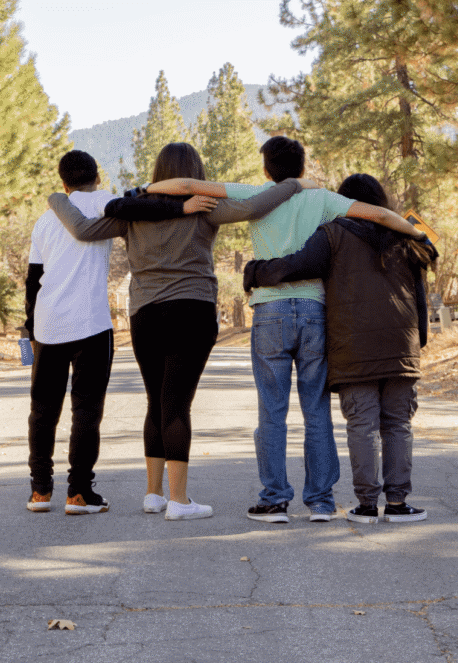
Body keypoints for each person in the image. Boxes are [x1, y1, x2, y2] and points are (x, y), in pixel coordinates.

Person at [144, 137, 425, 524]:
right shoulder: (324, 198)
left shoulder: (257, 194)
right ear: (303, 167)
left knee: (272, 412)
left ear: (266, 170)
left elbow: (187, 186)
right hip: (314, 311)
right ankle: (321, 502)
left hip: (270, 312)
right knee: (316, 411)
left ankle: (274, 501)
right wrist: (417, 235)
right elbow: (378, 215)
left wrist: (146, 190)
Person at [48, 142, 309, 521]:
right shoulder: (204, 205)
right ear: (194, 173)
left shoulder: (134, 211)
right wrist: (294, 185)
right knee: (177, 404)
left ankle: (154, 494)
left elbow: (83, 229)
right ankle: (180, 500)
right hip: (192, 310)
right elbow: (254, 205)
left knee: (157, 401)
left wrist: (59, 197)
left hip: (145, 314)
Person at [24, 150, 211, 514]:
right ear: (98, 175)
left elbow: (32, 281)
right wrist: (183, 208)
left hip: (46, 325)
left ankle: (40, 491)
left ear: (63, 182)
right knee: (86, 410)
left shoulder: (46, 220)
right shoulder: (105, 200)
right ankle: (78, 493)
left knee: (42, 410)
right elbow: (146, 209)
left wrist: (29, 331)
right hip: (90, 324)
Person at [243, 174, 438, 524]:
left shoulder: (333, 235)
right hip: (401, 347)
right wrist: (418, 339)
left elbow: (295, 265)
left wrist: (255, 271)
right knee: (398, 424)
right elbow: (422, 286)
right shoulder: (407, 235)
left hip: (353, 348)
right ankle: (397, 504)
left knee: (361, 425)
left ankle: (365, 506)